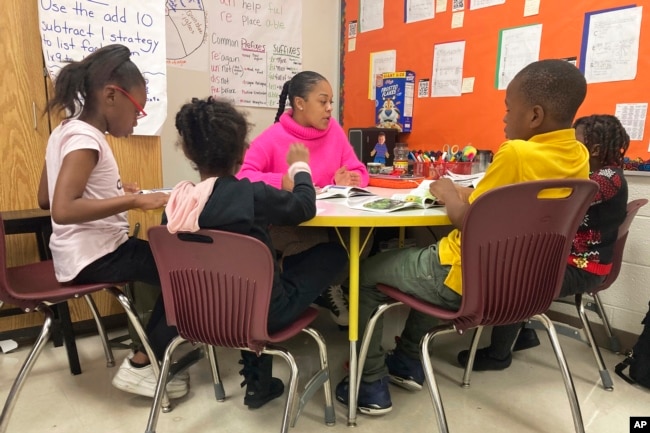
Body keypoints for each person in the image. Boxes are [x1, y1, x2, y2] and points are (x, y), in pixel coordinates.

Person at [334, 59, 590, 415]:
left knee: (363, 274)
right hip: (522, 284)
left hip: (463, 277)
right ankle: (407, 360)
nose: (503, 118)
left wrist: (448, 194)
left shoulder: (516, 152)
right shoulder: (578, 154)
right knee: (423, 259)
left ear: (534, 116)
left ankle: (369, 380)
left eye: (508, 110)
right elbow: (500, 200)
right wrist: (461, 193)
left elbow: (470, 221)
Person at [166, 96, 348, 409]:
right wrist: (301, 166)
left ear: (187, 151)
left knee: (245, 285)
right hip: (265, 315)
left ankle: (258, 385)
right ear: (242, 150)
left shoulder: (177, 205)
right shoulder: (252, 196)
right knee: (334, 254)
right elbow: (305, 206)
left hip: (201, 315)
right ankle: (261, 377)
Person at [36, 44, 188, 399]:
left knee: (170, 267)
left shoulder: (63, 132)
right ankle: (142, 366)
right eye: (137, 110)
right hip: (97, 254)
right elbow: (61, 208)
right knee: (184, 275)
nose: (138, 119)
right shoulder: (86, 140)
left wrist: (117, 192)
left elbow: (45, 197)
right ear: (110, 96)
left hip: (76, 254)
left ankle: (147, 357)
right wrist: (132, 200)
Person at [456, 113, 630, 371]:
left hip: (583, 269)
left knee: (517, 280)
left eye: (575, 142)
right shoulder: (602, 173)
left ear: (594, 148)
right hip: (571, 261)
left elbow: (558, 199)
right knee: (522, 258)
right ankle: (522, 334)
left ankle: (499, 355)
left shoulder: (606, 179)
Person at [237, 71, 370, 327]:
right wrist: (283, 182)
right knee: (320, 245)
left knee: (363, 238)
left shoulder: (334, 132)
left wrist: (349, 179)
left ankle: (325, 286)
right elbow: (244, 176)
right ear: (299, 103)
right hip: (290, 223)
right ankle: (309, 288)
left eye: (331, 101)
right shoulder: (274, 136)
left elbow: (360, 171)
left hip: (331, 217)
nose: (330, 109)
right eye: (323, 101)